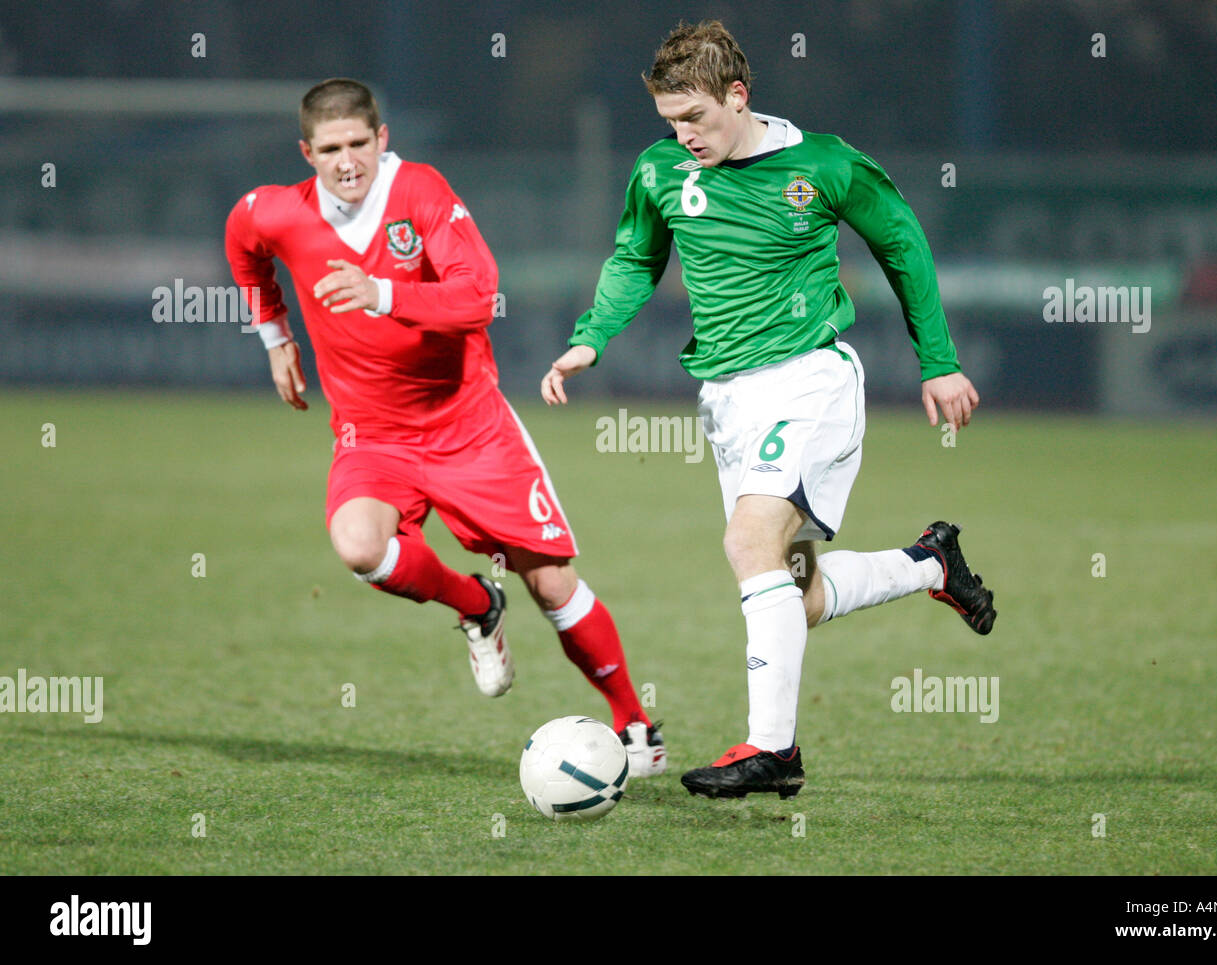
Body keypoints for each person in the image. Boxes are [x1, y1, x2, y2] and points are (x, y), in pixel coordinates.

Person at [542, 22, 995, 798]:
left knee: (749, 540)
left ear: (738, 96)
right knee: (796, 591)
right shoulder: (659, 172)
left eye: (696, 119)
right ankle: (931, 562)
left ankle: (774, 751)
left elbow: (903, 244)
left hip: (809, 378)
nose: (683, 137)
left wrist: (940, 360)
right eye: (670, 122)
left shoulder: (821, 163)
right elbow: (635, 259)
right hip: (726, 401)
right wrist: (591, 339)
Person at [225, 78, 666, 776]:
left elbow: (480, 293)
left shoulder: (421, 193)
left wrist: (383, 293)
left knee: (551, 584)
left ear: (382, 139)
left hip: (468, 426)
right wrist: (274, 334)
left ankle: (634, 722)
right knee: (358, 545)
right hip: (373, 435)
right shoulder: (277, 210)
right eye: (331, 149)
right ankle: (475, 603)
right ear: (306, 152)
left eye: (360, 144)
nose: (348, 162)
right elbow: (242, 238)